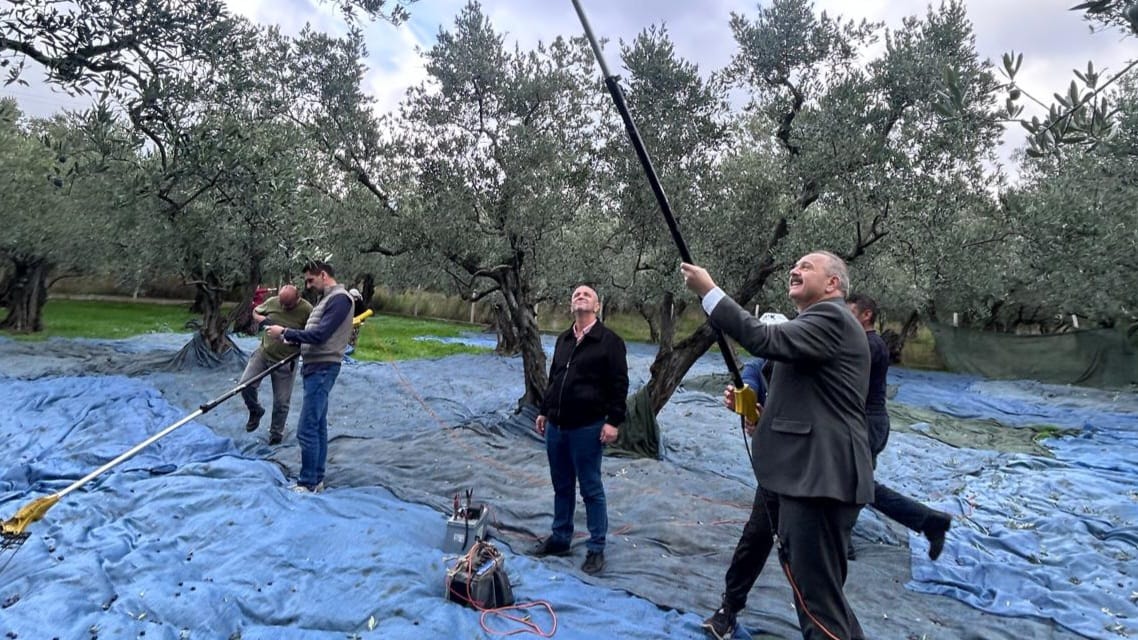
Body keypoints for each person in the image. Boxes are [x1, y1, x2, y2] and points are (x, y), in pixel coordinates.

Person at [682, 252, 873, 640]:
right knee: (822, 598)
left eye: (807, 266)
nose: (794, 269)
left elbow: (761, 338)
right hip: (800, 473)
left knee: (816, 606)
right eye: (794, 265)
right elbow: (811, 404)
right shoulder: (816, 325)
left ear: (833, 284)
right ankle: (728, 608)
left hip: (817, 479)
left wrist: (709, 291)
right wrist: (761, 417)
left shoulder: (832, 318)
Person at [531, 284, 629, 576]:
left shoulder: (609, 341)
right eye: (576, 294)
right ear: (571, 306)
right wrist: (545, 412)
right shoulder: (563, 340)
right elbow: (554, 379)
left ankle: (596, 548)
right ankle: (561, 538)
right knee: (561, 486)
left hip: (587, 427)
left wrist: (614, 421)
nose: (580, 297)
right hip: (557, 427)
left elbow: (619, 384)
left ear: (597, 307)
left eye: (587, 295)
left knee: (590, 489)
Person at [845, 293, 951, 561]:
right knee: (857, 483)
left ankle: (930, 520)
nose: (844, 316)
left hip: (868, 422)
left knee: (855, 484)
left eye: (850, 311)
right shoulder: (869, 343)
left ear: (866, 314)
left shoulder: (869, 345)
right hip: (869, 421)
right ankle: (929, 521)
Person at [266, 261, 354, 493]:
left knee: (306, 428)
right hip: (316, 367)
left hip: (323, 368)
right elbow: (315, 334)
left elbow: (320, 334)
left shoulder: (339, 299)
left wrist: (285, 332)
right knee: (317, 426)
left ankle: (308, 483)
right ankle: (317, 479)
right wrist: (290, 339)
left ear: (323, 275)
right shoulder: (328, 299)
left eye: (310, 280)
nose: (307, 285)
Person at [242, 284, 312, 445]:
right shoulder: (273, 302)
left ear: (297, 298)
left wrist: (286, 334)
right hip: (264, 353)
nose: (283, 307)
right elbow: (255, 312)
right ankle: (255, 410)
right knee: (245, 385)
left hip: (286, 360)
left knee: (281, 401)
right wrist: (263, 320)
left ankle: (276, 434)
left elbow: (311, 334)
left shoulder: (307, 310)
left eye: (287, 305)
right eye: (281, 303)